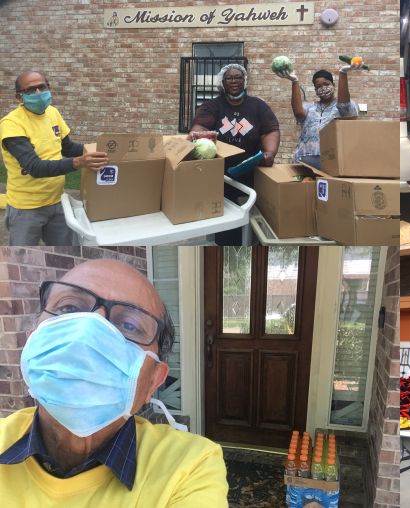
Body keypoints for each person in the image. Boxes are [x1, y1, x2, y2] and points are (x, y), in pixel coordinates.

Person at [0, 259, 228, 505]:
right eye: (69, 308)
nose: (87, 333)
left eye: (129, 325)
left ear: (153, 381)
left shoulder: (190, 465)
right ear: (32, 336)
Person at [0, 70, 108, 245]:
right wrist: (79, 162)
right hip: (25, 209)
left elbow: (68, 147)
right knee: (23, 261)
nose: (38, 93)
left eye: (42, 87)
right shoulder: (12, 125)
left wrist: (97, 150)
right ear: (19, 98)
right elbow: (34, 167)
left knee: (66, 255)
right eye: (30, 90)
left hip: (57, 202)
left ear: (49, 88)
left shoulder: (52, 113)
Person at [190, 63, 280, 245]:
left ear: (244, 80)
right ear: (222, 83)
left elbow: (270, 130)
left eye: (238, 77)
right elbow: (200, 128)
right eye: (229, 78)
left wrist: (269, 152)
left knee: (249, 224)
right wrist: (198, 137)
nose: (234, 81)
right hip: (220, 177)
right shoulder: (212, 106)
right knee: (224, 227)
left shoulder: (258, 106)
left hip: (251, 175)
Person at [276, 60, 363, 162]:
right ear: (315, 90)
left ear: (333, 85)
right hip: (303, 161)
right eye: (318, 87)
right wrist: (295, 81)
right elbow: (299, 113)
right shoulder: (310, 107)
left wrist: (343, 73)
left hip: (331, 162)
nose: (323, 88)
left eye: (326, 84)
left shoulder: (342, 108)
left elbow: (343, 104)